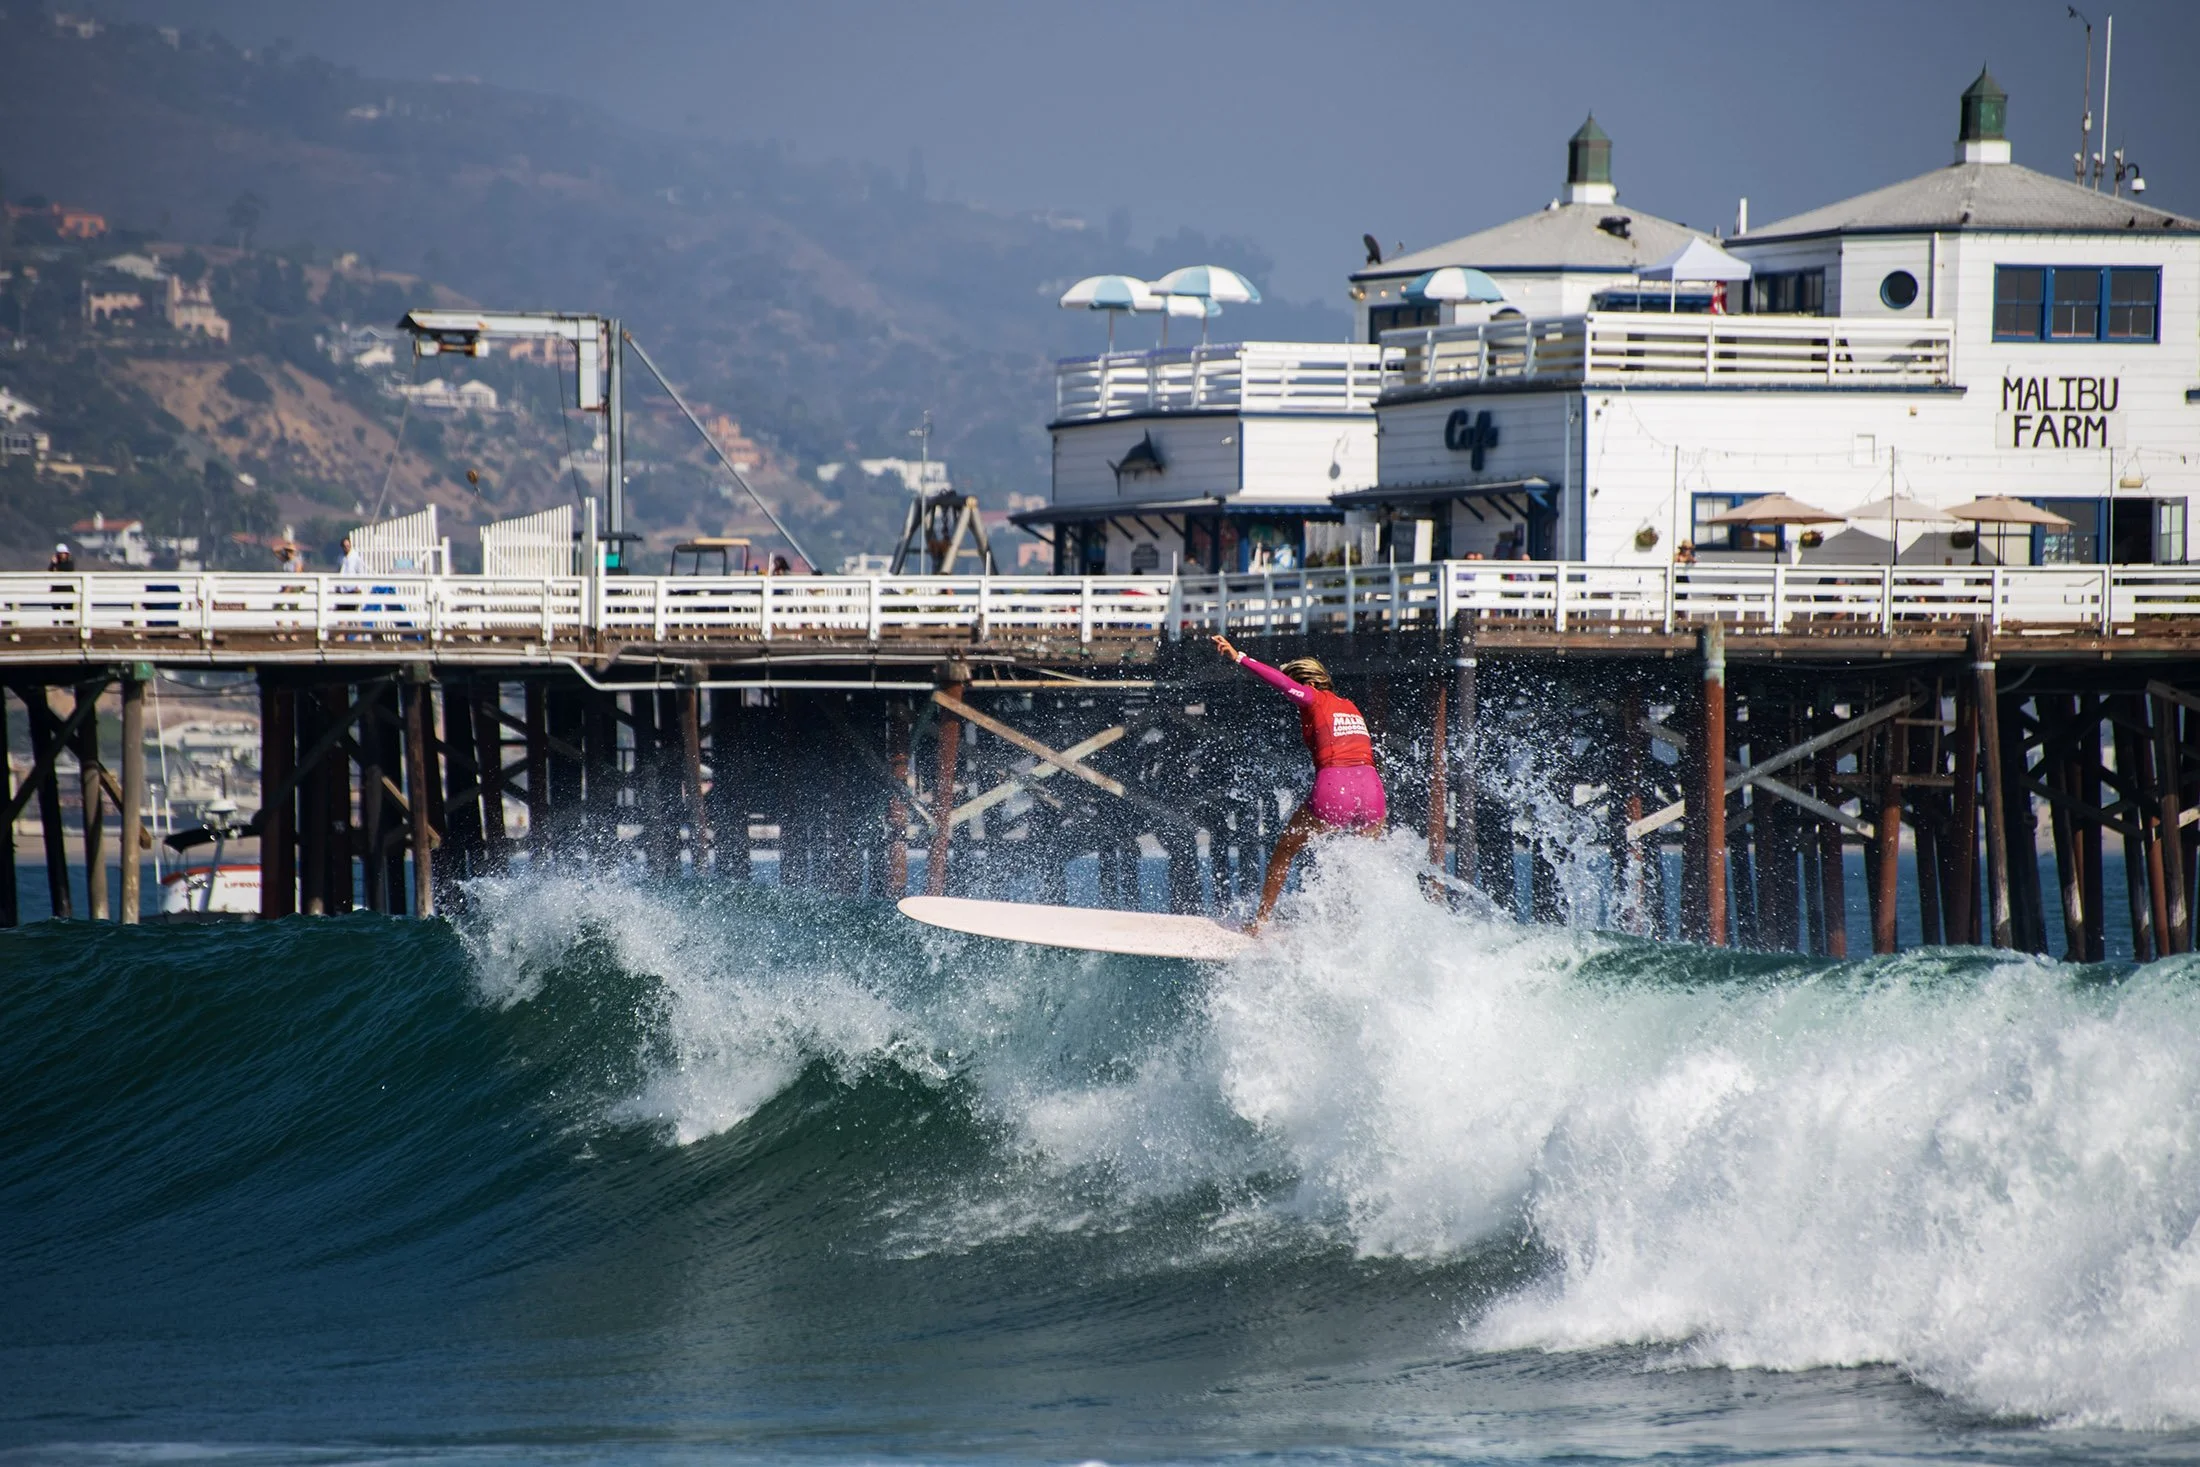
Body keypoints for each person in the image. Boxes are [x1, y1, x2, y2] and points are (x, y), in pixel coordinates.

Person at [1211, 634, 1386, 929]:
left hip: (1336, 788)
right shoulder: (1351, 706)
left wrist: (1239, 657)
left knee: (1285, 849)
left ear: (1311, 683)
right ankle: (1362, 928)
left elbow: (1282, 683)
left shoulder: (1314, 697)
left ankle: (1259, 924)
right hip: (1373, 792)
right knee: (1367, 862)